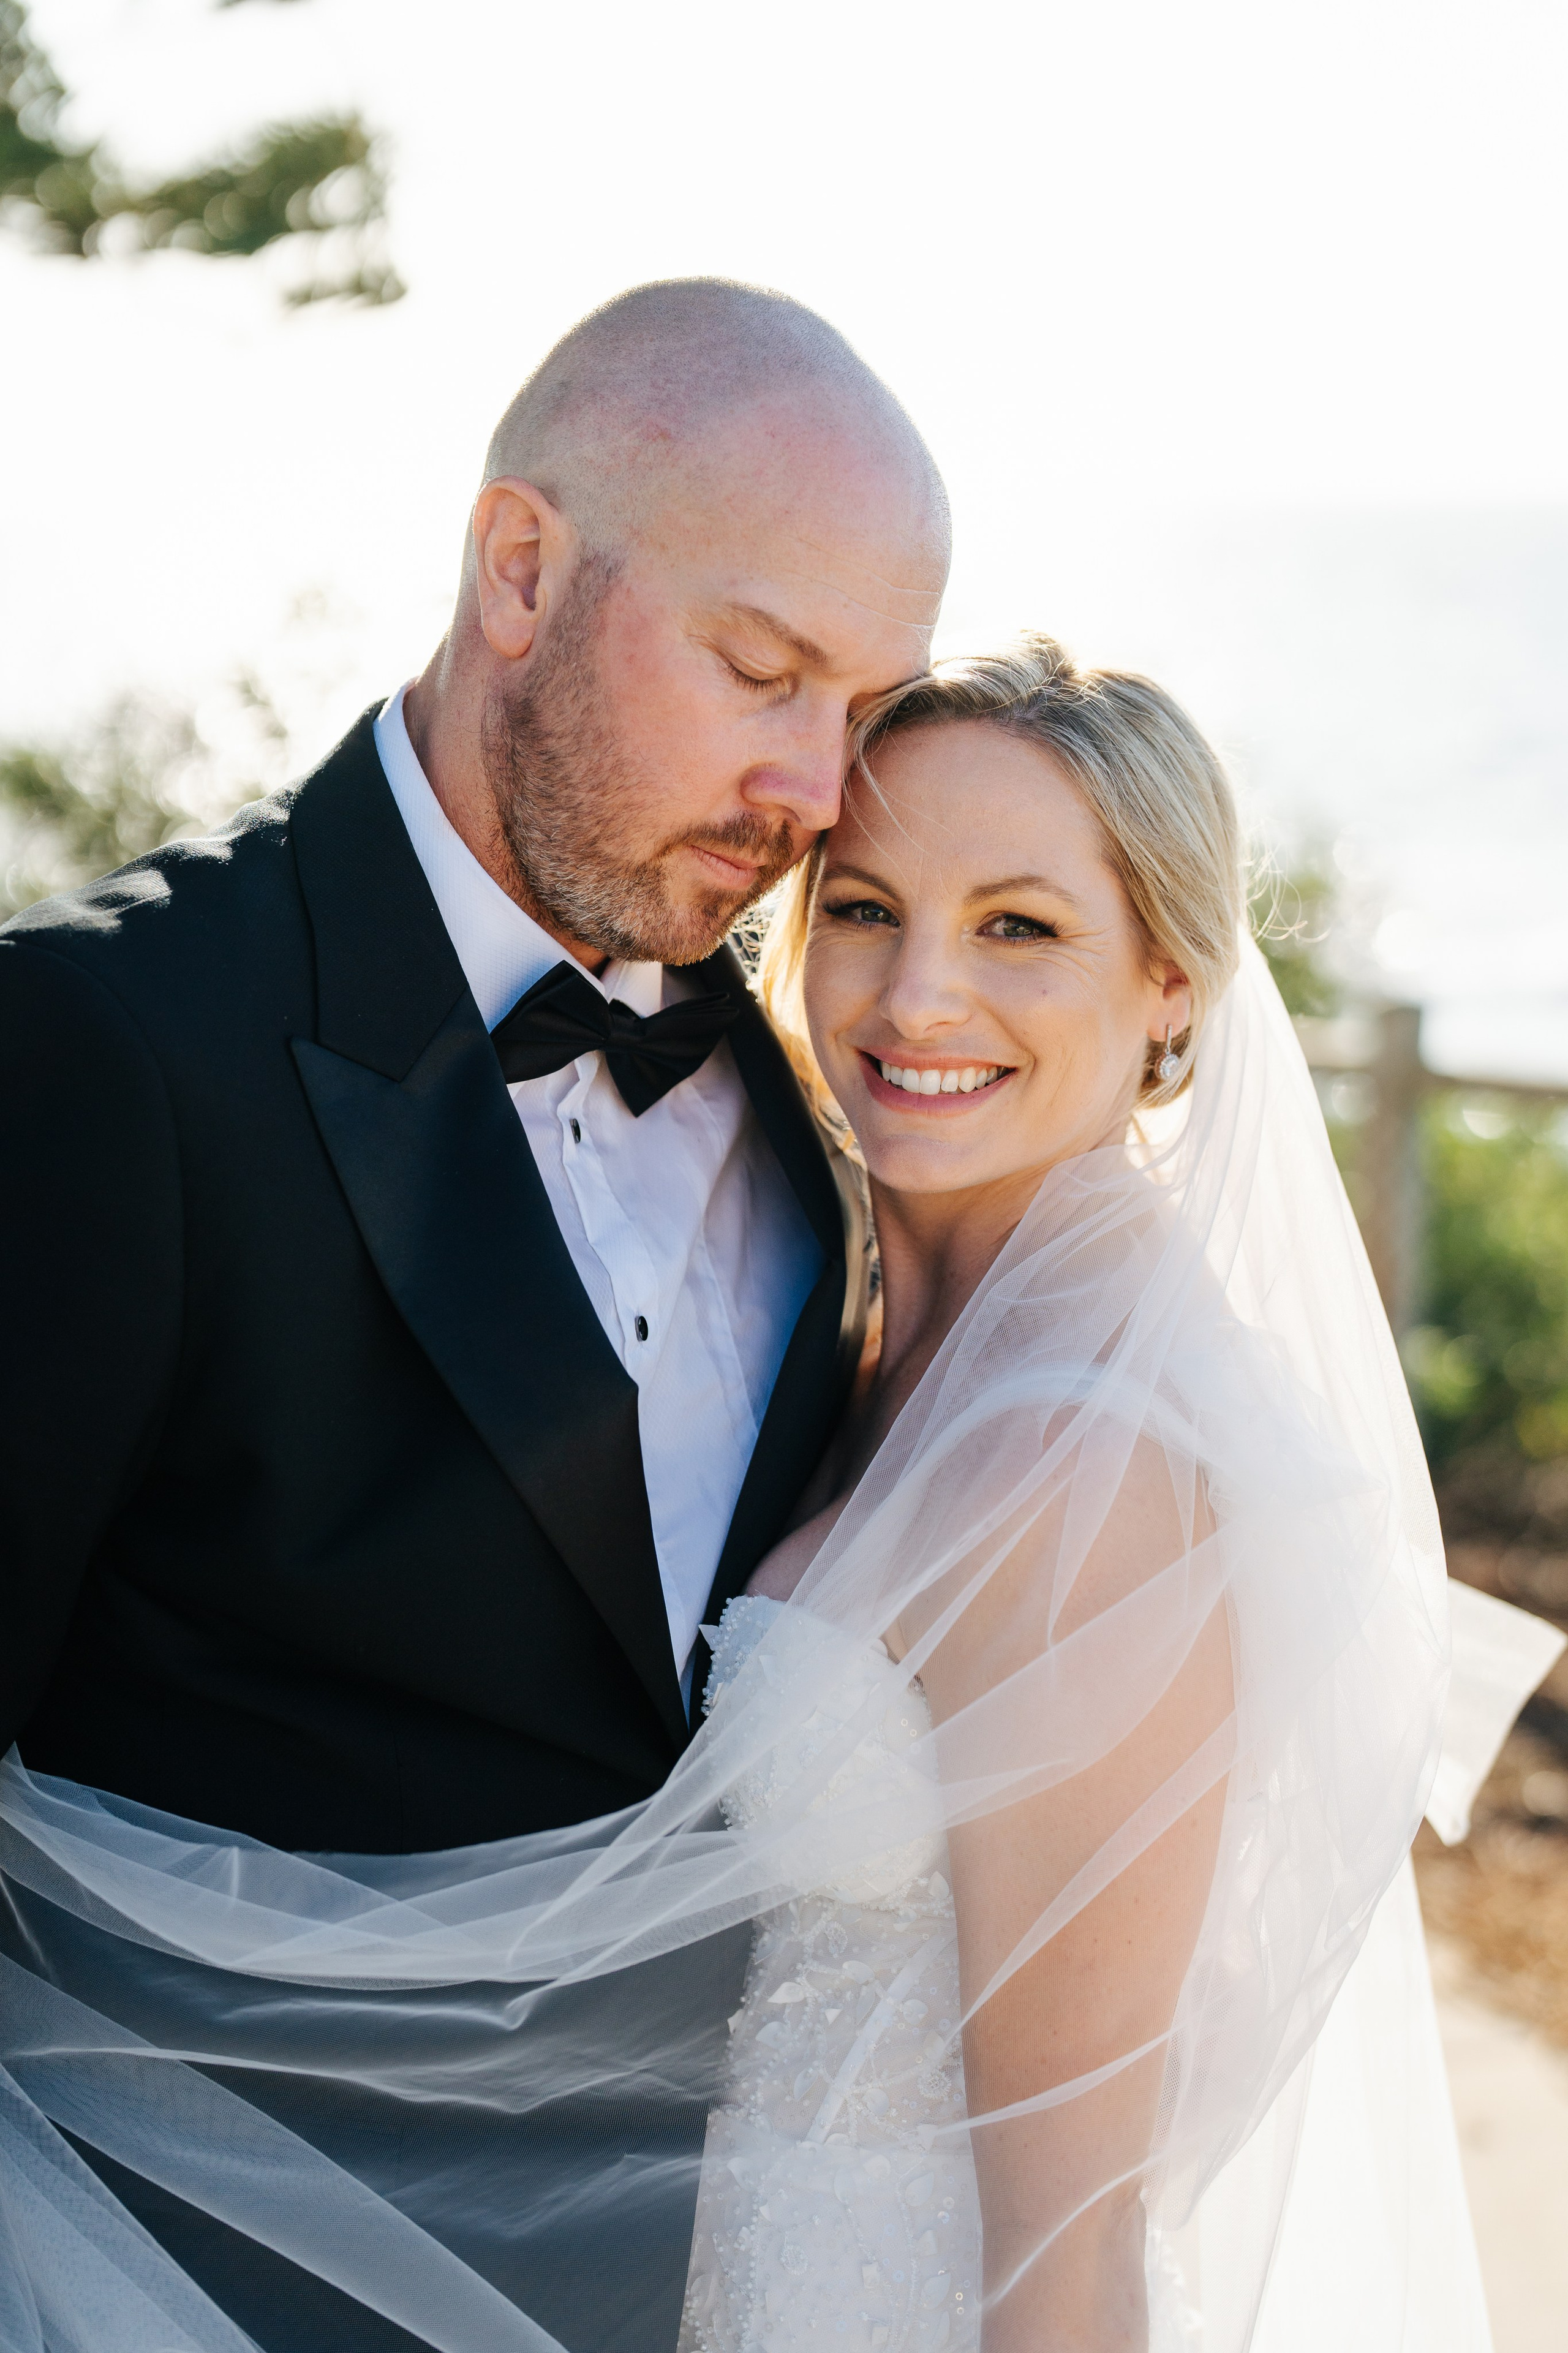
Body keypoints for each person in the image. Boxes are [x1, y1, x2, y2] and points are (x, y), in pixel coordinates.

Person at [0, 632, 1498, 2353]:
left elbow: (1074, 2244)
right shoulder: (841, 1295)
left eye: (1020, 924)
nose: (920, 993)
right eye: (864, 906)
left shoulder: (1101, 1472)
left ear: (1170, 980)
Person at [0, 279, 948, 2350]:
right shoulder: (97, 1052)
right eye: (764, 668)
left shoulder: (817, 1134)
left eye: (871, 707)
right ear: (520, 567)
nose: (818, 791)